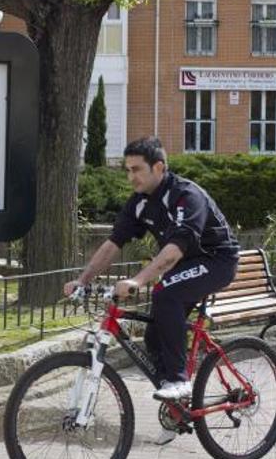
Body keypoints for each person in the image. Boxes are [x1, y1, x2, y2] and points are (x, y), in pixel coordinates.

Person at [64, 136, 239, 403]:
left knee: (165, 293)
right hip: (185, 266)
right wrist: (83, 280)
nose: (130, 176)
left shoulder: (185, 196)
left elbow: (176, 248)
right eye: (127, 170)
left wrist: (139, 280)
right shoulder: (139, 202)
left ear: (158, 167)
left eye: (136, 169)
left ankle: (179, 381)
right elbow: (113, 243)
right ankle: (176, 407)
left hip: (216, 261)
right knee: (154, 336)